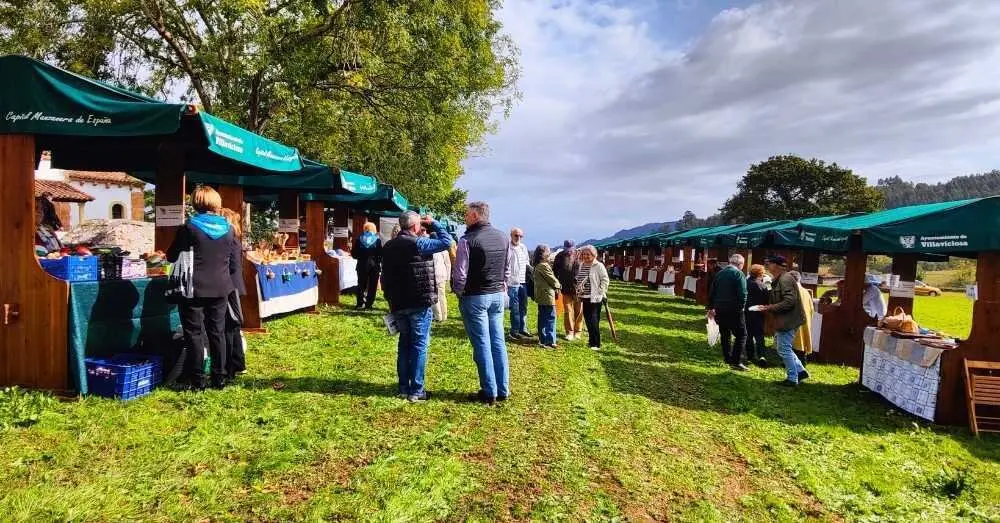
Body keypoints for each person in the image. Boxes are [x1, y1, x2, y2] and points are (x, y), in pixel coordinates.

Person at [167, 186, 239, 390]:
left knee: (194, 334)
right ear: (216, 202)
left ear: (196, 203)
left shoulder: (188, 228)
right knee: (217, 332)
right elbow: (233, 262)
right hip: (221, 287)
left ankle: (197, 380)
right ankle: (219, 378)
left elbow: (172, 255)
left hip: (193, 289)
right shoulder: (229, 228)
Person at [381, 211, 453, 402]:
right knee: (419, 345)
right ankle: (417, 390)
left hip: (398, 302)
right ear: (415, 226)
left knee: (404, 343)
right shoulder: (419, 243)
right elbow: (447, 242)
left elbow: (384, 276)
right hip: (418, 301)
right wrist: (434, 223)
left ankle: (404, 387)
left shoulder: (388, 246)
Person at [452, 201, 512, 406]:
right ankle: (502, 388)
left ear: (476, 216)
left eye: (467, 215)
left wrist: (460, 293)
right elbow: (507, 269)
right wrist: (502, 288)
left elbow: (460, 274)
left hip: (476, 296)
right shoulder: (503, 237)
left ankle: (489, 391)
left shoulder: (467, 240)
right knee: (498, 341)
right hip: (497, 294)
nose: (465, 218)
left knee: (482, 344)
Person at [760, 255, 809, 387]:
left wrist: (769, 307)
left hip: (788, 320)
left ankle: (793, 378)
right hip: (786, 319)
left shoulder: (785, 279)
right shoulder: (780, 278)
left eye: (768, 263)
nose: (767, 265)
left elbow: (789, 301)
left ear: (776, 266)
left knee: (783, 348)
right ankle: (800, 371)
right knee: (783, 347)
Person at [707, 254, 749, 371]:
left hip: (719, 308)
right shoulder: (739, 274)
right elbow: (743, 293)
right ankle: (736, 361)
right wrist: (742, 307)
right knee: (742, 335)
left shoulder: (720, 273)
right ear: (740, 264)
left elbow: (712, 291)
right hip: (734, 308)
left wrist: (711, 307)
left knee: (725, 333)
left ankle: (727, 357)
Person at [219, 208, 247, 380]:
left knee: (229, 327)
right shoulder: (234, 239)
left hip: (229, 287)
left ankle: (230, 366)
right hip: (233, 285)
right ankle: (238, 362)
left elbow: (234, 267)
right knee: (233, 327)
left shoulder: (232, 241)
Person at [577, 245, 610, 351]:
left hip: (595, 297)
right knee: (587, 319)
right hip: (585, 296)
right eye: (584, 254)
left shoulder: (598, 265)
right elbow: (580, 277)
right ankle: (591, 342)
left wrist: (600, 292)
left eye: (588, 254)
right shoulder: (582, 264)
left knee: (594, 320)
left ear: (593, 254)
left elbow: (605, 280)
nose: (585, 256)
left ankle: (596, 344)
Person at [532, 244, 560, 349]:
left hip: (541, 295)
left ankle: (542, 339)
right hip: (547, 295)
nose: (549, 253)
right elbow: (552, 279)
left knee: (542, 318)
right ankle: (549, 341)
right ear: (543, 253)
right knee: (550, 318)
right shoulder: (543, 265)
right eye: (548, 251)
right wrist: (559, 286)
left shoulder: (537, 264)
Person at [554, 240, 583, 341]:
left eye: (570, 249)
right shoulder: (559, 256)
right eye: (567, 249)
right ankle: (569, 332)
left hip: (579, 289)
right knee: (568, 310)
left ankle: (578, 331)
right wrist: (556, 285)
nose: (569, 252)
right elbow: (554, 272)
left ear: (574, 248)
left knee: (579, 311)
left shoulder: (580, 255)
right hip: (565, 288)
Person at [352, 222, 383, 310]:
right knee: (372, 286)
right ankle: (369, 304)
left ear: (365, 228)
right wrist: (377, 261)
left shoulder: (359, 239)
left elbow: (354, 254)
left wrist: (360, 256)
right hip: (374, 265)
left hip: (362, 264)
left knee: (361, 284)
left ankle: (359, 303)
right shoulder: (377, 240)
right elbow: (380, 253)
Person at [507, 227, 531, 340]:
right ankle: (514, 331)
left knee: (524, 306)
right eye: (516, 235)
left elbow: (527, 263)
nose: (518, 238)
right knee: (515, 308)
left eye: (521, 236)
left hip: (523, 282)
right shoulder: (507, 247)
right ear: (511, 235)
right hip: (512, 282)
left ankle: (523, 328)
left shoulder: (523, 247)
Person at [745, 263, 769, 366]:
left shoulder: (745, 283)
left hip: (746, 312)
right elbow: (766, 301)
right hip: (759, 313)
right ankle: (761, 355)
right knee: (759, 335)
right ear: (760, 274)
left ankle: (750, 355)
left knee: (748, 335)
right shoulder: (763, 286)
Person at [788, 271, 815, 359]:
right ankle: (802, 360)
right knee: (802, 342)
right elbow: (811, 309)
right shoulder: (806, 291)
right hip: (805, 321)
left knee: (794, 343)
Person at [432, 240, 452, 322]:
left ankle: (438, 316)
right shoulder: (444, 250)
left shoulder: (430, 249)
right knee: (442, 295)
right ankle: (444, 315)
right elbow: (448, 264)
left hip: (434, 274)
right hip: (442, 274)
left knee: (434, 296)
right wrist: (448, 276)